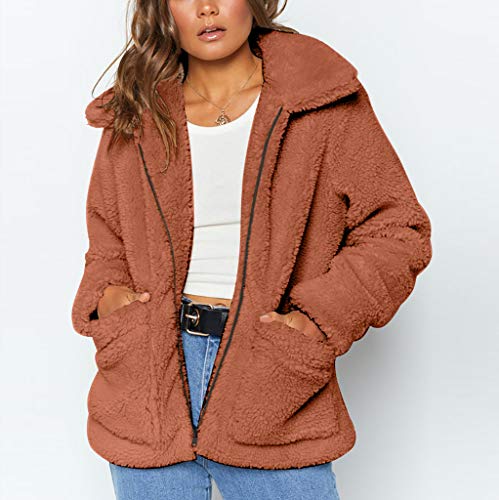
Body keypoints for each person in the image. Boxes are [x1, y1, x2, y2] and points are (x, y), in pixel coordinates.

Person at [71, 0, 433, 498]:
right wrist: (108, 298)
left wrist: (318, 319)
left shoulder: (317, 99)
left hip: (269, 370)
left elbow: (397, 229)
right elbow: (107, 237)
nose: (207, 8)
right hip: (147, 380)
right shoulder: (137, 112)